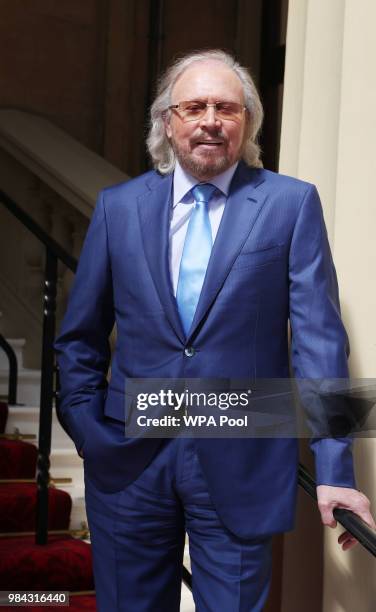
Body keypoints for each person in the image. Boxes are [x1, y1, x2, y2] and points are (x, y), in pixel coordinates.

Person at [54, 49, 374, 611]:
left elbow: (321, 345)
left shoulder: (289, 204)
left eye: (225, 107)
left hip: (242, 458)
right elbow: (78, 338)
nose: (210, 120)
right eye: (194, 106)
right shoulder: (118, 208)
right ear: (168, 121)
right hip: (128, 461)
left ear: (246, 120)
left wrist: (335, 471)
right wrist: (87, 430)